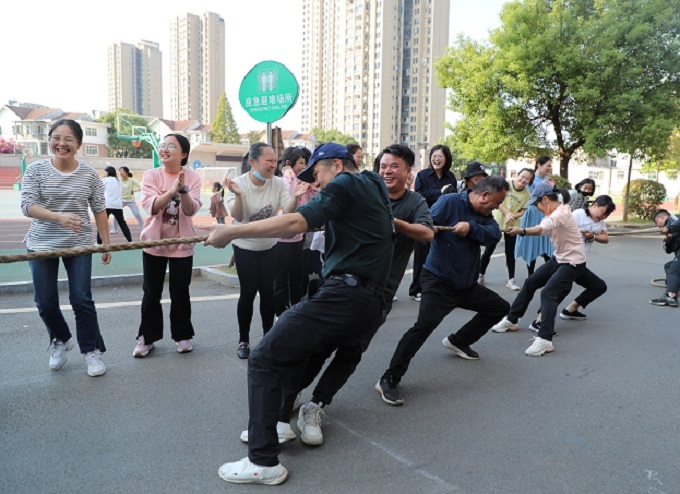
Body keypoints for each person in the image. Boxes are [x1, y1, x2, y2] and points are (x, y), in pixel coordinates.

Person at [204, 142, 394, 485]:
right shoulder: (374, 184)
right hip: (372, 302)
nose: (317, 183)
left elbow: (294, 222)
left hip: (345, 294)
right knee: (300, 353)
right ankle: (278, 425)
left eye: (318, 173)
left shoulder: (345, 183)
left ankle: (263, 461)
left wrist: (232, 231)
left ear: (337, 165)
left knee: (263, 358)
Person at [240, 144, 433, 446]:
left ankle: (307, 411)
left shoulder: (379, 192)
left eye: (394, 166)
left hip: (371, 294)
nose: (387, 171)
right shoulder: (371, 185)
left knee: (328, 353)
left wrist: (231, 232)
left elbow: (427, 233)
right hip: (351, 290)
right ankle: (280, 413)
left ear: (408, 171)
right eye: (383, 165)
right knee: (314, 348)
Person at [376, 176, 511, 406]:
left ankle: (458, 340)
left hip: (465, 284)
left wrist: (471, 228)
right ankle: (389, 377)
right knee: (423, 327)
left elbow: (494, 235)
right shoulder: (449, 203)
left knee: (499, 307)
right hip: (439, 281)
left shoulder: (485, 216)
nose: (497, 208)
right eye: (496, 203)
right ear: (484, 195)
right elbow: (424, 230)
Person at [20, 119, 109, 377]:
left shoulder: (89, 174)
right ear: (49, 140)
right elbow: (27, 206)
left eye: (69, 139)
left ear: (78, 144)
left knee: (81, 299)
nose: (62, 143)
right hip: (41, 243)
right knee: (45, 302)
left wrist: (105, 242)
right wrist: (59, 217)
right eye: (56, 137)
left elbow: (99, 209)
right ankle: (60, 338)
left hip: (78, 244)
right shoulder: (36, 171)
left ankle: (91, 350)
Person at [491, 183, 608, 356]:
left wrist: (520, 231)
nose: (537, 208)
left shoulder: (560, 213)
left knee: (548, 293)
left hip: (572, 263)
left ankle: (545, 340)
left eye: (537, 204)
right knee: (531, 282)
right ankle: (512, 319)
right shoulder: (558, 211)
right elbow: (543, 228)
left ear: (545, 200)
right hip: (560, 258)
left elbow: (541, 229)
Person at [224, 142, 307, 359]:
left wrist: (296, 196)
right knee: (248, 292)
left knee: (268, 293)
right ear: (253, 162)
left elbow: (288, 213)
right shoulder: (238, 184)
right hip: (245, 246)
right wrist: (240, 196)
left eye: (275, 161)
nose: (273, 165)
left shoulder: (278, 183)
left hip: (270, 245)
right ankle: (243, 340)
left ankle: (268, 338)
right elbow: (239, 217)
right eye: (268, 160)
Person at [132, 134, 202, 358]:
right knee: (151, 291)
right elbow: (151, 207)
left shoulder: (192, 177)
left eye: (171, 146)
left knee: (180, 291)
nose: (164, 149)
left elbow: (190, 211)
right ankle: (147, 337)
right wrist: (172, 190)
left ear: (183, 154)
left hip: (182, 243)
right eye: (162, 146)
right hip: (155, 241)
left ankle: (182, 335)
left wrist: (183, 191)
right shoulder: (151, 175)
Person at [273, 146, 318, 316]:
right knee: (281, 280)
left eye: (306, 163)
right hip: (281, 238)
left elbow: (316, 192)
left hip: (297, 237)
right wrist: (288, 171)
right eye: (301, 163)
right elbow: (289, 182)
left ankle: (297, 309)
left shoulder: (303, 182)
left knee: (297, 278)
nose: (304, 166)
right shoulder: (287, 180)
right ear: (289, 164)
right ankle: (281, 312)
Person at [409, 144, 457, 301]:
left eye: (440, 157)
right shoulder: (423, 175)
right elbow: (419, 195)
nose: (436, 159)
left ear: (446, 159)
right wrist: (439, 192)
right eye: (434, 156)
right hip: (424, 220)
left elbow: (453, 199)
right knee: (421, 256)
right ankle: (417, 289)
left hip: (444, 222)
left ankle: (437, 287)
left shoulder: (451, 177)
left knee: (441, 256)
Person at [478, 168, 535, 290]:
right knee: (489, 249)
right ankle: (481, 275)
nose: (523, 180)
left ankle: (511, 280)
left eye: (527, 179)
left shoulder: (526, 194)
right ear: (517, 175)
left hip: (512, 225)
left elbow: (523, 211)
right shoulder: (505, 184)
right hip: (496, 222)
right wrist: (507, 213)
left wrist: (512, 216)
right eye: (522, 176)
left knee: (510, 252)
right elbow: (496, 202)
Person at [514, 156, 555, 275]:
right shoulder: (530, 179)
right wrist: (541, 187)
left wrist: (551, 187)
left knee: (547, 246)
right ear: (539, 165)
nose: (549, 168)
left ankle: (549, 275)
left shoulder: (549, 180)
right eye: (548, 165)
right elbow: (526, 197)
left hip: (544, 214)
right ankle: (530, 275)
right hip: (531, 214)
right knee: (531, 245)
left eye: (550, 165)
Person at [649, 209, 680, 307]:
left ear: (662, 217)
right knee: (668, 266)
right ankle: (672, 288)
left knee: (674, 270)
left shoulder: (674, 219)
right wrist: (668, 240)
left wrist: (668, 228)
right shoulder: (671, 228)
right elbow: (669, 250)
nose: (659, 226)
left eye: (657, 223)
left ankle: (671, 296)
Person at [96, 166, 132, 243]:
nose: (104, 173)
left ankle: (99, 242)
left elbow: (99, 190)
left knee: (102, 223)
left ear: (108, 172)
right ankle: (130, 240)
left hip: (107, 204)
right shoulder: (119, 181)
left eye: (105, 172)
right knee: (122, 224)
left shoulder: (104, 180)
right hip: (117, 205)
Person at [110, 166, 144, 233]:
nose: (120, 173)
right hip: (121, 200)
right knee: (115, 214)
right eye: (120, 171)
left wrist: (134, 190)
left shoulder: (131, 180)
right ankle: (114, 229)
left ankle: (143, 228)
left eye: (122, 171)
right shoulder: (118, 180)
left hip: (131, 201)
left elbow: (140, 186)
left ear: (127, 172)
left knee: (137, 214)